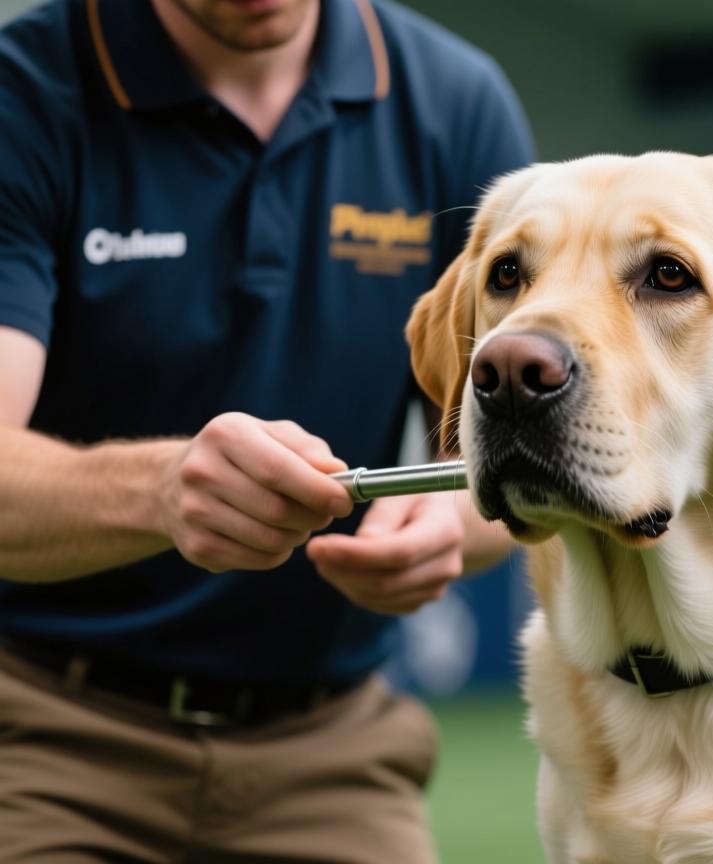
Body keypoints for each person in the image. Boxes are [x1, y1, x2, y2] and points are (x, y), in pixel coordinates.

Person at [0, 0, 534, 860]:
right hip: (43, 733)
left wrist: (450, 525)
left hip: (331, 745)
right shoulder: (23, 93)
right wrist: (162, 490)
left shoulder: (454, 104)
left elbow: (504, 455)